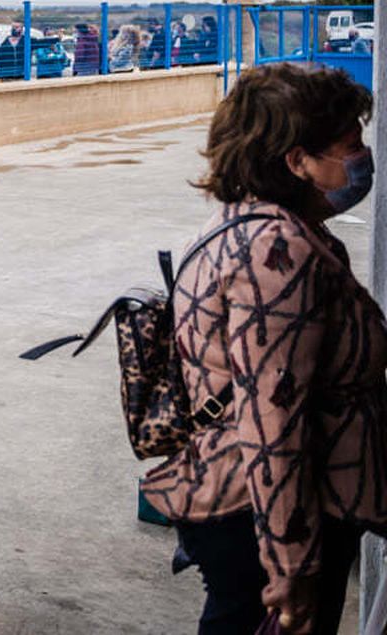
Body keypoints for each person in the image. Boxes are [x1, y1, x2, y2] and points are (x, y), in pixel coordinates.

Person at [141, 63, 387, 635]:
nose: (362, 158)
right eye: (350, 145)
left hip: (257, 506)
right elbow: (272, 421)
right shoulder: (277, 251)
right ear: (296, 160)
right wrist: (290, 565)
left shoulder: (254, 226)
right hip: (266, 514)